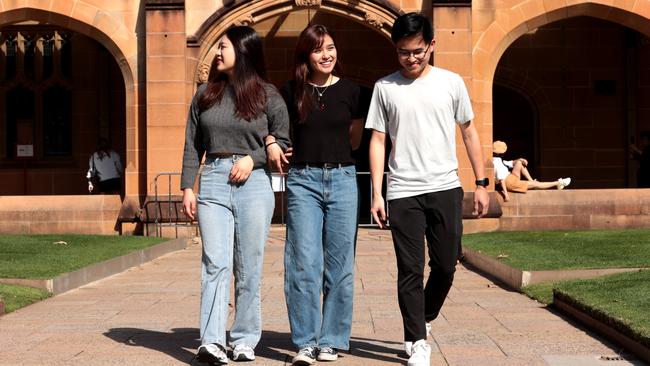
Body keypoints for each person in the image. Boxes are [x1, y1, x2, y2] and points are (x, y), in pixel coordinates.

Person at [365, 13, 490, 366]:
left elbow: (469, 132)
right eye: (404, 52)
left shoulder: (451, 83)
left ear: (432, 45)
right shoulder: (384, 88)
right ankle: (417, 340)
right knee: (409, 269)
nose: (412, 59)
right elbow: (377, 140)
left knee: (447, 265)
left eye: (418, 51)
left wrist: (481, 184)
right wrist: (377, 192)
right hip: (403, 191)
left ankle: (425, 317)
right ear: (396, 49)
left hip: (445, 186)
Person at [180, 26, 290, 365]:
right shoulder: (205, 95)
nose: (217, 52)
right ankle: (211, 342)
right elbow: (191, 145)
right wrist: (188, 186)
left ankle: (244, 340)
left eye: (223, 46)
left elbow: (284, 144)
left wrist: (252, 158)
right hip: (212, 180)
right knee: (215, 262)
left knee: (248, 266)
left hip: (254, 184)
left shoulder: (268, 95)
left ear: (242, 51)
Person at [275, 24, 364, 365]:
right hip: (303, 180)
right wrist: (273, 144)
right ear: (306, 56)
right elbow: (275, 130)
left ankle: (332, 339)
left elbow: (354, 139)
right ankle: (306, 341)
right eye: (318, 49)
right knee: (303, 263)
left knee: (340, 265)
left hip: (342, 178)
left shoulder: (352, 92)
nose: (326, 54)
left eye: (330, 47)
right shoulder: (290, 92)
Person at [492, 140, 571, 201]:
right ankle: (558, 183)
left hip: (511, 177)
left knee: (519, 163)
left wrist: (520, 159)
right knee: (536, 185)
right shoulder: (496, 163)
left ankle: (531, 180)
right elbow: (501, 180)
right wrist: (506, 195)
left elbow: (511, 162)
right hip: (509, 182)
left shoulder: (498, 160)